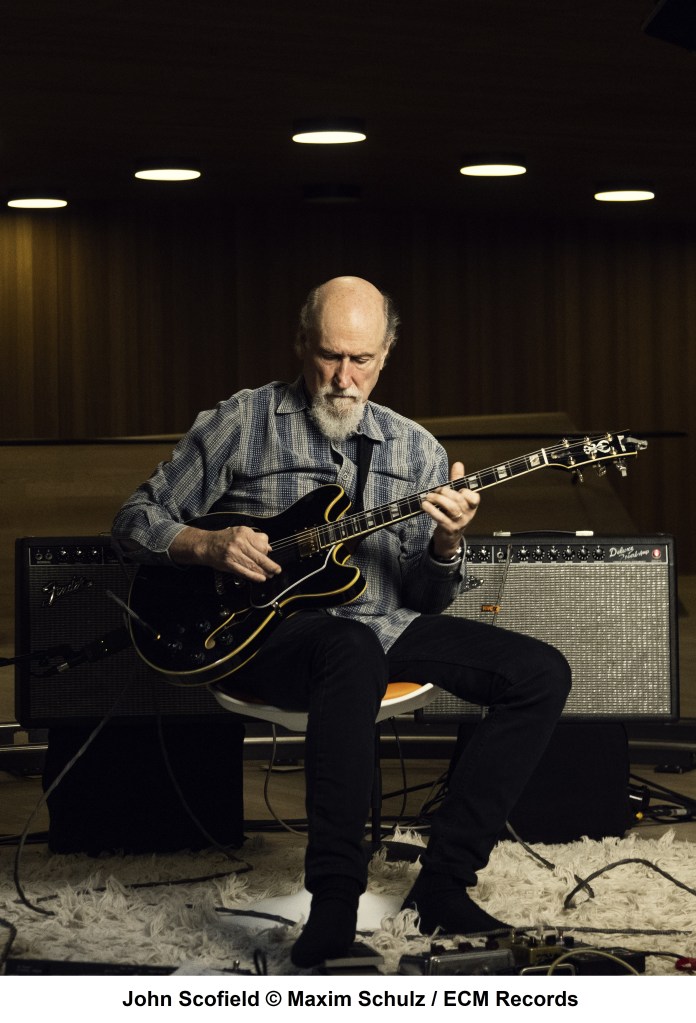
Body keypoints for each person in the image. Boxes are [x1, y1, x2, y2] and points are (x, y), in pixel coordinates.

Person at [112, 275, 571, 969]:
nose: (343, 377)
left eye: (362, 359)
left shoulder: (415, 448)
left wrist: (447, 543)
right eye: (330, 355)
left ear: (386, 356)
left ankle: (443, 886)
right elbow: (132, 521)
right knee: (349, 647)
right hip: (265, 631)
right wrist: (206, 543)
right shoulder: (243, 420)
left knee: (539, 671)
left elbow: (425, 597)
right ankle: (333, 907)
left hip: (384, 623)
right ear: (302, 344)